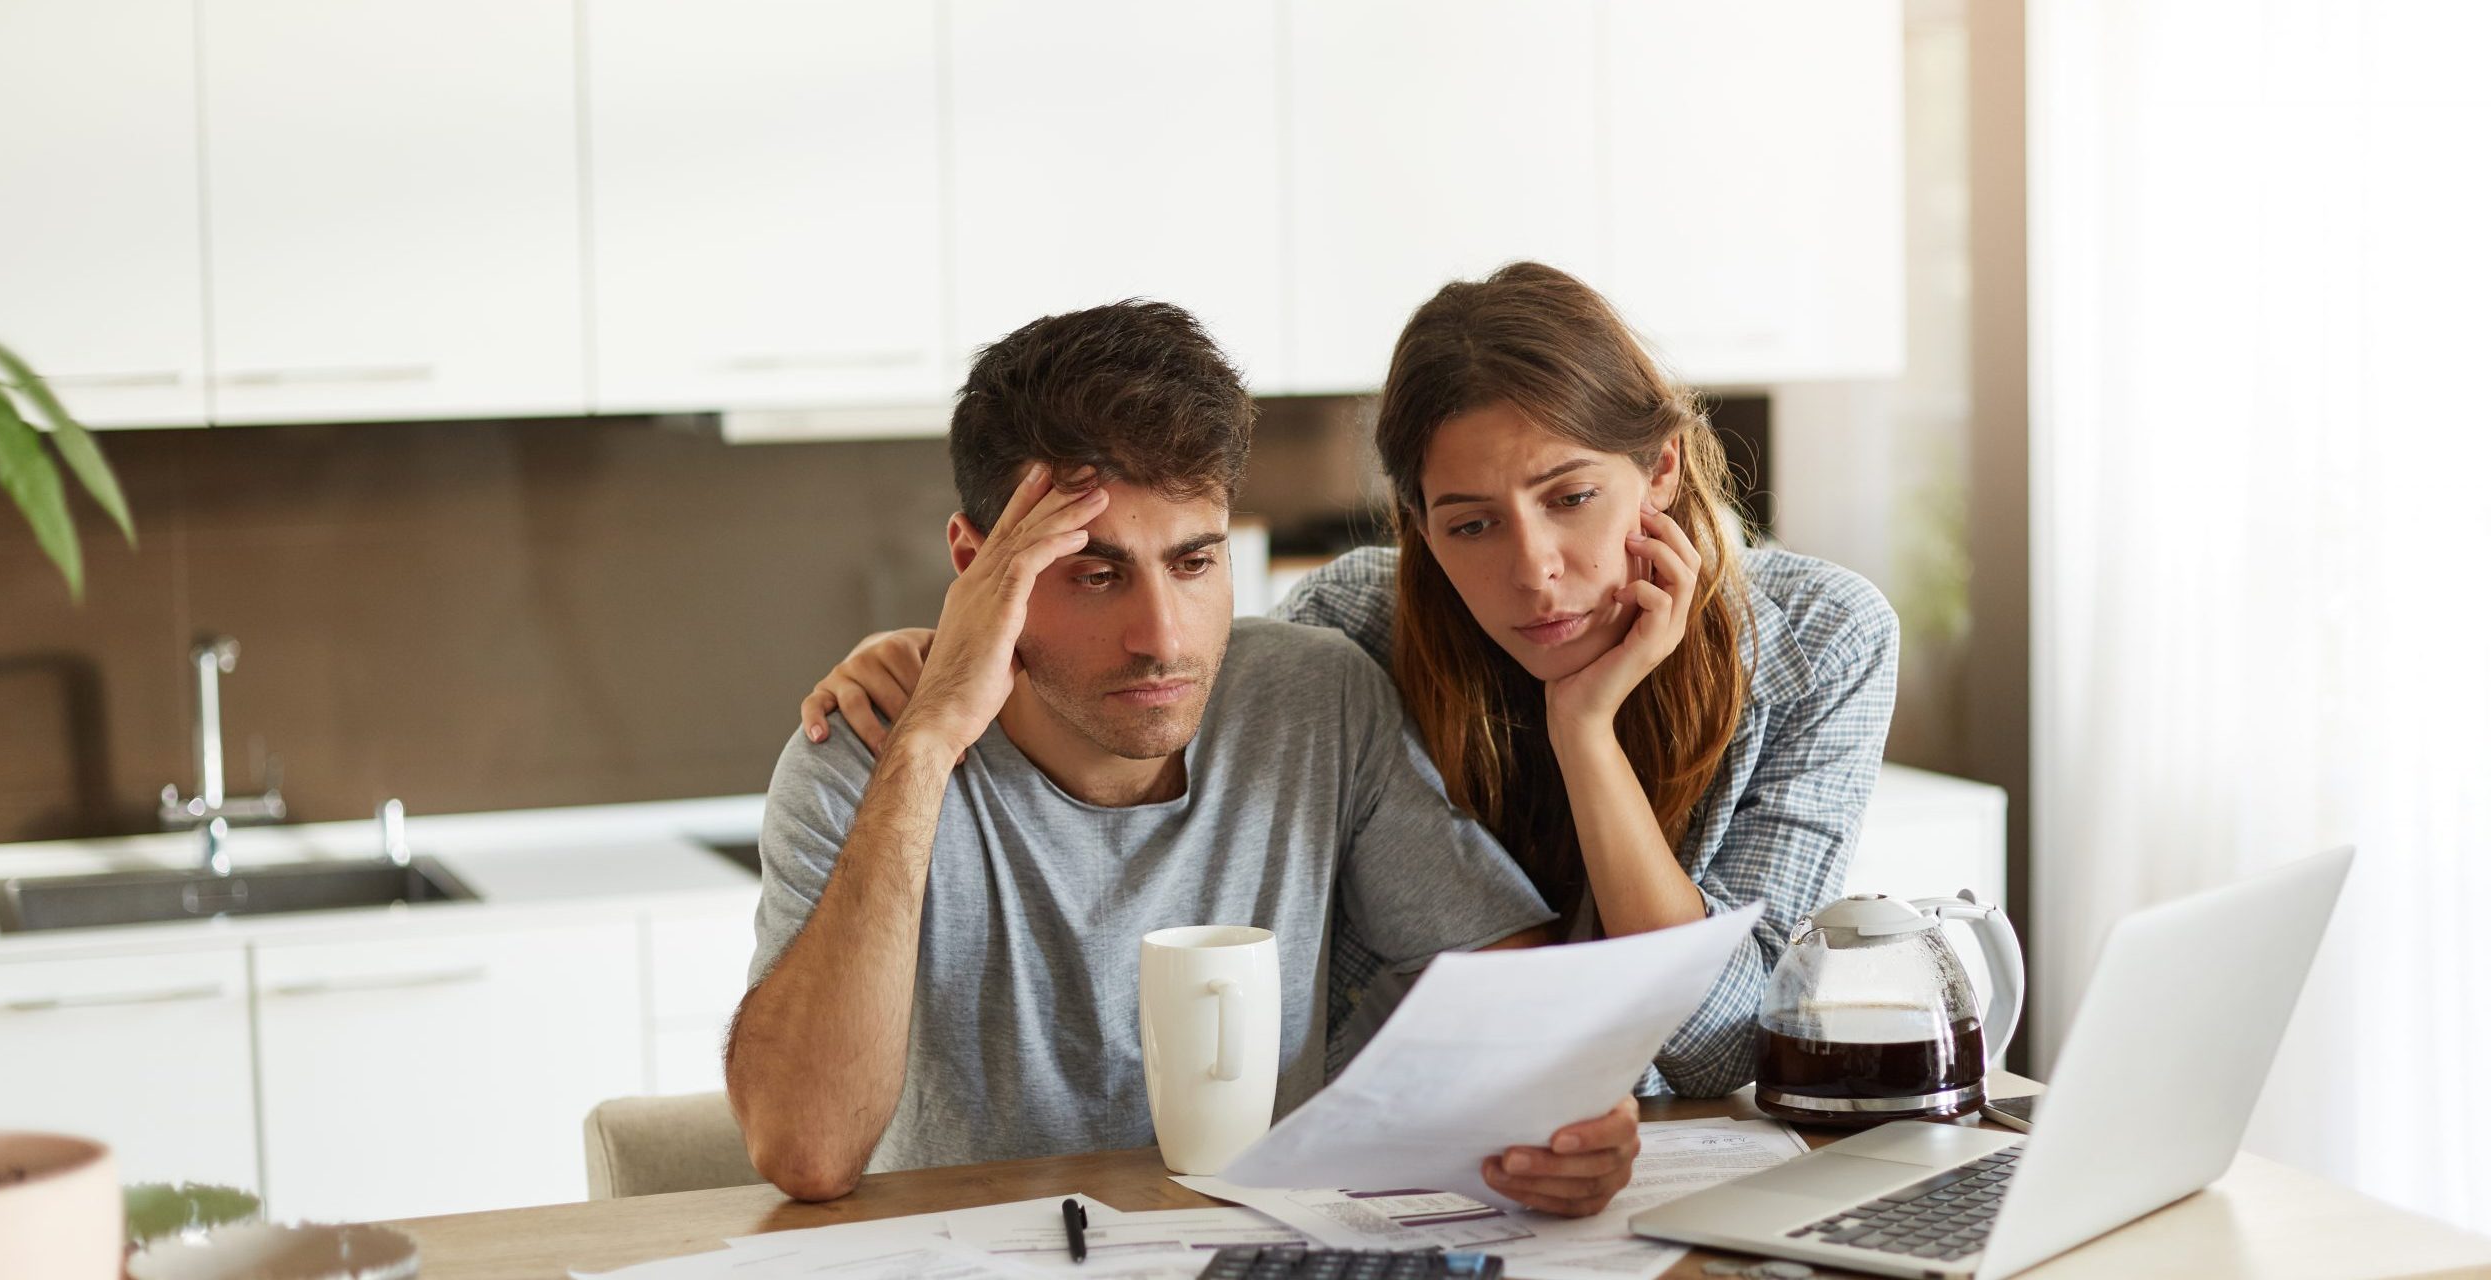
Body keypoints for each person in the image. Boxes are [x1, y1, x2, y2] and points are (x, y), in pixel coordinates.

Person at [801, 263, 1900, 1104]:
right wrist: (950, 653)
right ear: (1417, 523)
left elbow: (1716, 1045)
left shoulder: (1820, 642)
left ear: (1657, 466)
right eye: (1469, 523)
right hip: (1411, 1164)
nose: (1532, 570)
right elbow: (1156, 680)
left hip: (1648, 1159)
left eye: (1570, 497)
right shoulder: (1359, 626)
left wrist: (1585, 731)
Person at [728, 299, 1644, 1216]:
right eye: (1095, 573)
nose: (1161, 639)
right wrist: (927, 746)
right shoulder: (865, 754)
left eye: (1196, 563)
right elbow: (806, 1152)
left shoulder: (1315, 701)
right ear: (976, 564)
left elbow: (1518, 996)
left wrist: (1566, 1119)